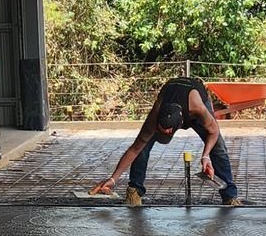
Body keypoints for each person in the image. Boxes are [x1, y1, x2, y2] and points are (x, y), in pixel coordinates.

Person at [86, 74, 239, 207]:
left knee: (218, 146)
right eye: (161, 131)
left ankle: (230, 196)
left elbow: (214, 131)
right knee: (144, 145)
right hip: (170, 94)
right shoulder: (155, 115)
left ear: (180, 126)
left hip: (194, 94)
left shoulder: (197, 109)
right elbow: (135, 148)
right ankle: (134, 190)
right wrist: (113, 179)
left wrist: (205, 156)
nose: (164, 136)